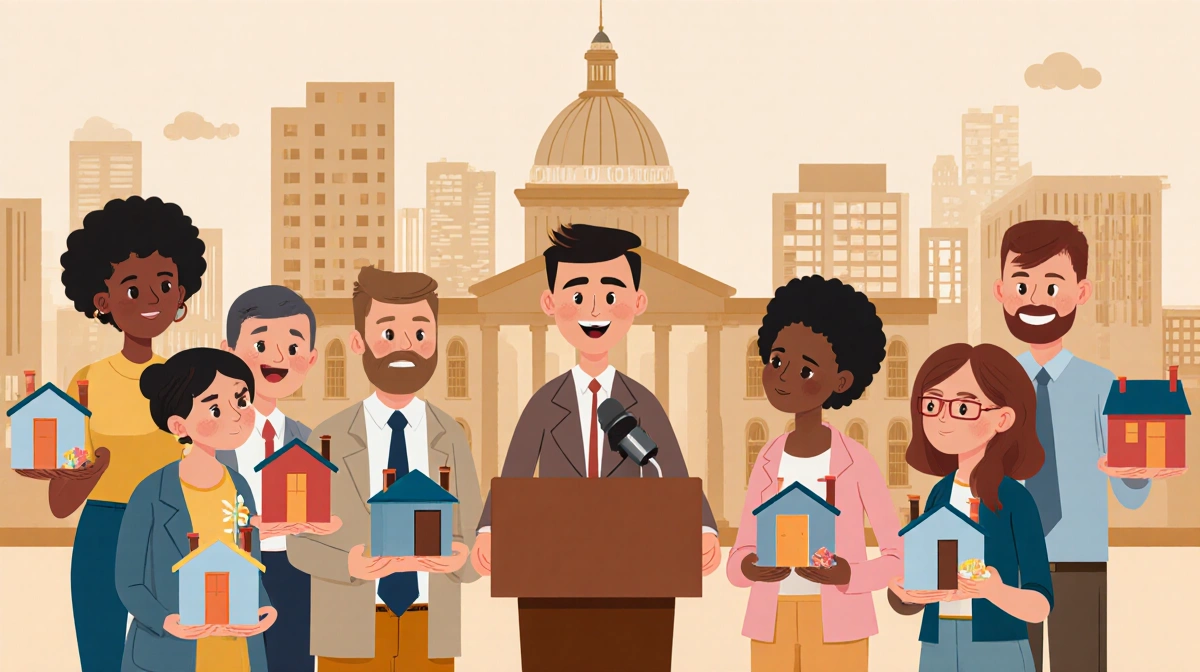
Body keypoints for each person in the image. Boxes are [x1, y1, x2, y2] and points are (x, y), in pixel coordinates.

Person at [992, 220, 1185, 672]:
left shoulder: (1104, 387)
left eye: (1052, 285)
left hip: (1079, 562)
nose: (1035, 299)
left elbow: (1127, 496)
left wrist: (1134, 479)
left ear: (1081, 292)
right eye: (1022, 284)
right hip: (1009, 563)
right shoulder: (992, 385)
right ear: (1001, 291)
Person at [472, 223, 721, 573]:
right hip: (557, 554)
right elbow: (515, 473)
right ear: (549, 302)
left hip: (627, 554)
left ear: (638, 302)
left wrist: (702, 527)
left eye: (610, 297)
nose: (593, 312)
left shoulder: (642, 403)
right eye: (576, 297)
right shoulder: (544, 403)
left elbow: (671, 473)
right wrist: (491, 529)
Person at [287, 268, 481, 672]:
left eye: (421, 333)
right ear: (358, 341)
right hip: (348, 630)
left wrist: (461, 558)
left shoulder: (452, 437)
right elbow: (299, 544)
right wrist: (349, 565)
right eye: (389, 334)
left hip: (430, 630)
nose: (405, 347)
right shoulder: (325, 438)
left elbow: (474, 542)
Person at [48, 196, 208, 672]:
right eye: (133, 289)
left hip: (173, 531)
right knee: (99, 654)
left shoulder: (191, 382)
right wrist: (89, 473)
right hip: (103, 530)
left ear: (181, 295)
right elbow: (60, 503)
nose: (153, 300)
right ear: (103, 301)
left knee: (173, 651)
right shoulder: (86, 382)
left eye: (165, 285)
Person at [728, 275, 901, 671]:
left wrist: (847, 575)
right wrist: (750, 568)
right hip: (771, 623)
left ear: (841, 381)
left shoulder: (857, 461)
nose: (784, 376)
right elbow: (738, 556)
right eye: (776, 361)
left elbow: (896, 556)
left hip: (840, 624)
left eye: (805, 371)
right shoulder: (768, 459)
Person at [887, 343, 1052, 672]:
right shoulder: (939, 494)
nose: (943, 418)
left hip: (999, 645)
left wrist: (995, 591)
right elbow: (922, 580)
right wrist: (905, 594)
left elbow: (1041, 605)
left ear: (1003, 419)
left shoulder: (1015, 501)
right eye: (932, 404)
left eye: (963, 408)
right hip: (938, 645)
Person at [116, 348, 277, 671]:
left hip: (238, 652)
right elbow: (128, 582)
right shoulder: (151, 494)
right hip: (171, 652)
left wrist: (264, 606)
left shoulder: (240, 487)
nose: (235, 415)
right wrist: (166, 621)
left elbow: (249, 564)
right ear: (179, 425)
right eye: (215, 407)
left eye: (241, 401)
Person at [219, 285, 339, 672]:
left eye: (292, 348)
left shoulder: (307, 438)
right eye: (259, 345)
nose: (276, 358)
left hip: (296, 575)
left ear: (311, 358)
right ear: (228, 352)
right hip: (233, 571)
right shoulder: (211, 439)